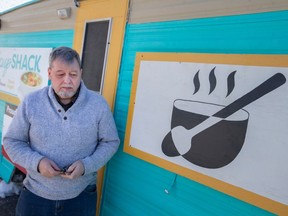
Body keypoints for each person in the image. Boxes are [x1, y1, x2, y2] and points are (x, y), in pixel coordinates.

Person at [3, 46, 120, 216]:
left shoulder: (98, 105)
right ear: (49, 73)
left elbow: (110, 142)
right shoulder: (31, 102)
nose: (67, 81)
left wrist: (86, 165)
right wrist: (38, 162)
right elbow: (12, 141)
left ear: (81, 73)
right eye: (60, 74)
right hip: (36, 195)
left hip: (81, 196)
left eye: (73, 75)